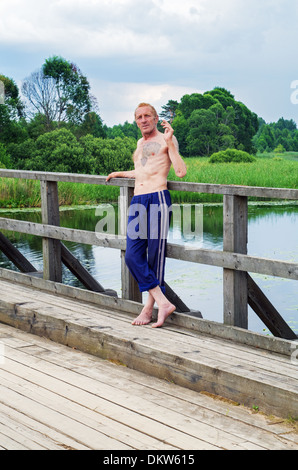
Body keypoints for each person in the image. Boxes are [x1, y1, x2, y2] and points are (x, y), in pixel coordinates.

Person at [106, 103, 187, 327]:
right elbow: (142, 171)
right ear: (136, 121)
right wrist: (118, 173)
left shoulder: (166, 139)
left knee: (155, 259)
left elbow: (180, 171)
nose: (143, 120)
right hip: (138, 201)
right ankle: (163, 303)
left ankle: (149, 310)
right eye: (139, 117)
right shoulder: (140, 143)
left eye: (147, 116)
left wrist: (171, 142)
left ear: (155, 118)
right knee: (132, 256)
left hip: (158, 199)